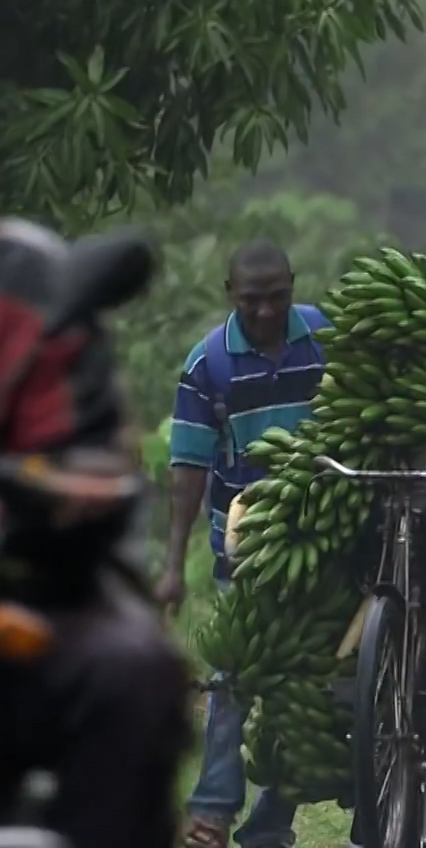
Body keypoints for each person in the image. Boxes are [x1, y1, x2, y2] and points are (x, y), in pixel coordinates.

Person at [0, 220, 191, 848]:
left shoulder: (39, 293)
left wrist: (46, 488)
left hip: (42, 596)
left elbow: (99, 470)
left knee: (134, 671)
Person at [159, 240, 329, 848]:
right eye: (252, 300)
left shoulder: (324, 338)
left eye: (277, 297)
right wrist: (173, 565)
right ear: (230, 293)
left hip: (327, 538)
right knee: (234, 676)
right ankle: (211, 811)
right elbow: (188, 468)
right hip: (245, 546)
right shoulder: (208, 364)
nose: (265, 311)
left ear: (293, 286)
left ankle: (272, 823)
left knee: (303, 686)